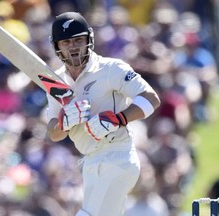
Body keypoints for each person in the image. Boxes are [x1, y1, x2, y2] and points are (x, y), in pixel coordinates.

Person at [45, 12, 161, 216]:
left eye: (78, 40)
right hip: (91, 160)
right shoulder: (56, 82)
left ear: (88, 40)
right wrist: (63, 123)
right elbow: (53, 133)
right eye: (66, 42)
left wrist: (119, 119)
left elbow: (152, 99)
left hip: (117, 155)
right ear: (57, 46)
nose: (73, 47)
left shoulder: (111, 69)